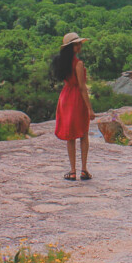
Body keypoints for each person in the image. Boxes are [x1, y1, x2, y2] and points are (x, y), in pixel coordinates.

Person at [51, 32, 95, 180]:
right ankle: (83, 169)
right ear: (71, 47)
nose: (80, 46)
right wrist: (89, 108)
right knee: (83, 133)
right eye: (77, 44)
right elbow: (82, 87)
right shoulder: (78, 63)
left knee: (70, 135)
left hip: (65, 97)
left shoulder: (62, 62)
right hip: (76, 98)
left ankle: (72, 171)